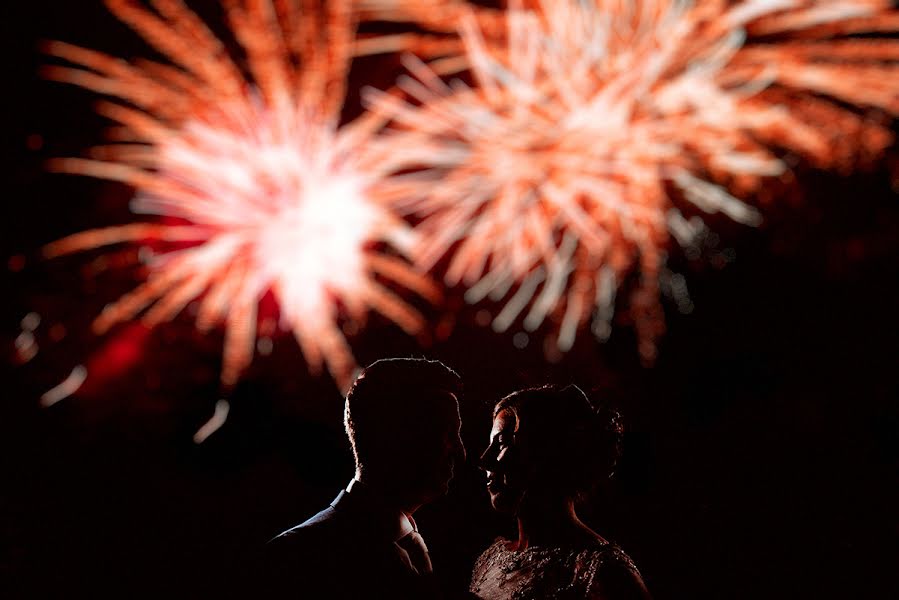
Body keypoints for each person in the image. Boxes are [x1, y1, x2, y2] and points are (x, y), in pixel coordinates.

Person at [264, 358, 466, 599]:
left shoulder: (426, 549)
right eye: (445, 434)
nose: (460, 451)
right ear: (391, 436)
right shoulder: (298, 556)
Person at [470, 384, 651, 600]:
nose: (484, 460)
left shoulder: (603, 573)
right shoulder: (492, 559)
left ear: (545, 450)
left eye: (501, 443)